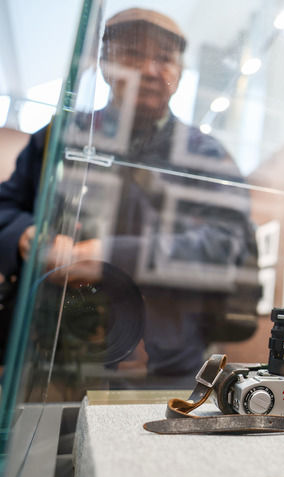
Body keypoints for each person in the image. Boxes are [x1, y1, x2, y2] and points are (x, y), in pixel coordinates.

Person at [0, 9, 259, 392]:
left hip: (164, 368)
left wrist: (107, 255)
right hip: (52, 357)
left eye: (165, 58)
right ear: (106, 63)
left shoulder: (207, 155)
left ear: (179, 71)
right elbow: (5, 209)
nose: (151, 70)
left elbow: (226, 246)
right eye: (134, 54)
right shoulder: (59, 136)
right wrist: (28, 236)